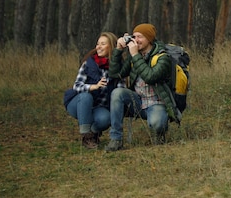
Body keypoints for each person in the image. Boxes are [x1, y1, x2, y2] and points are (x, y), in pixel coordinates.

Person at [105, 23, 180, 152]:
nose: (136, 40)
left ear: (149, 39)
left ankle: (159, 133)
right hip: (138, 101)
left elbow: (150, 77)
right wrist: (118, 49)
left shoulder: (162, 57)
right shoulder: (135, 54)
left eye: (140, 37)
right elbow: (115, 74)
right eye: (135, 36)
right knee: (117, 93)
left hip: (157, 102)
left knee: (157, 123)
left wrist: (135, 55)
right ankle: (116, 139)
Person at [65, 32, 125, 149]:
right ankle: (86, 137)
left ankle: (93, 133)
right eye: (98, 44)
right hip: (78, 104)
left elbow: (120, 89)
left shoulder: (118, 68)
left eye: (103, 44)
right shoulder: (88, 63)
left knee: (107, 118)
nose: (98, 47)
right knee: (86, 96)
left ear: (111, 47)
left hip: (99, 107)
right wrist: (93, 87)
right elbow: (76, 86)